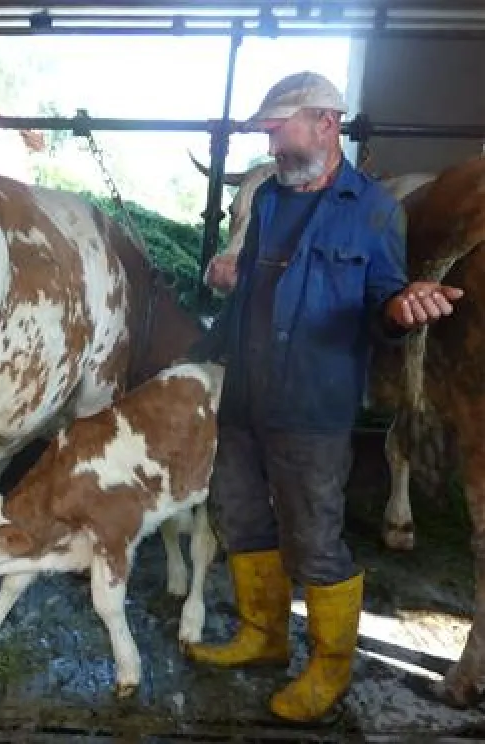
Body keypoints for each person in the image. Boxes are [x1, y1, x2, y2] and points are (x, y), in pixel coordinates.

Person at [184, 71, 464, 722]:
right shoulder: (271, 202)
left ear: (326, 124)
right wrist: (218, 308)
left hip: (314, 405)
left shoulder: (373, 210)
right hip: (246, 396)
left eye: (279, 131)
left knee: (313, 538)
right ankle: (263, 636)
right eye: (269, 133)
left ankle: (329, 668)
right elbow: (252, 289)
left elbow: (382, 306)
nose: (271, 143)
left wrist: (401, 309)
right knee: (241, 517)